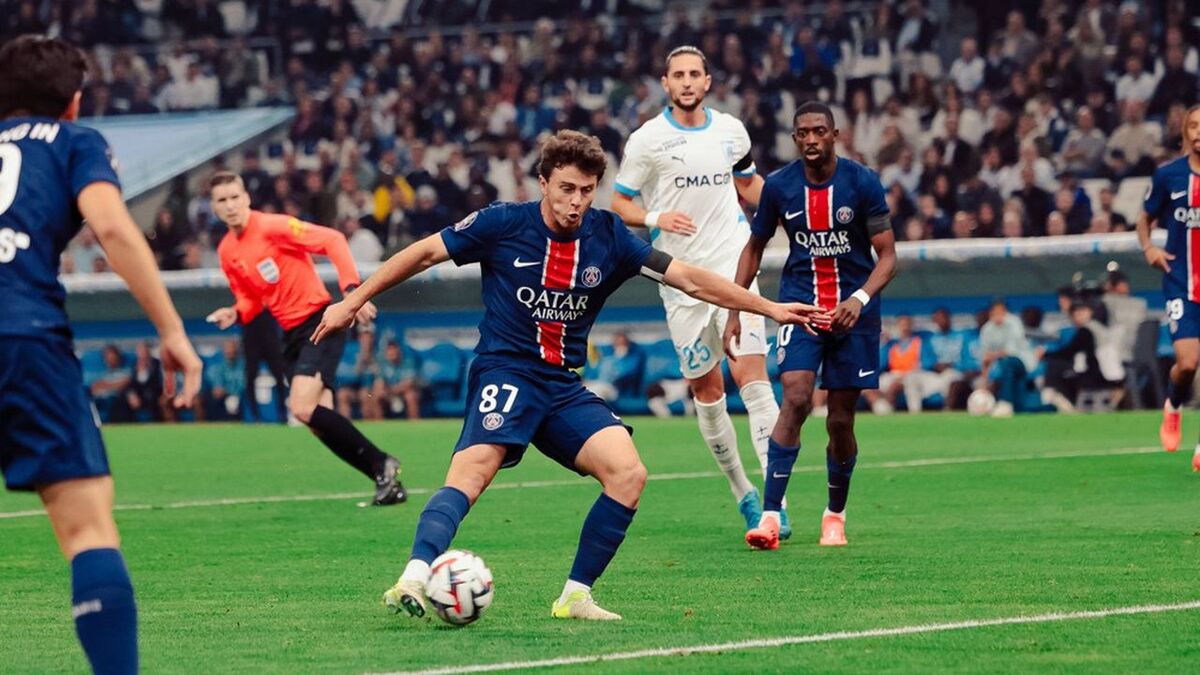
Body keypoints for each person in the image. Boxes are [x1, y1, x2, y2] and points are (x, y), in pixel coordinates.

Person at [311, 130, 827, 621]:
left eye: (585, 190)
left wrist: (769, 307)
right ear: (543, 183)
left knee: (629, 474)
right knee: (473, 473)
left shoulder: (610, 237)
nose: (575, 201)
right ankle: (413, 578)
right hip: (507, 370)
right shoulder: (502, 223)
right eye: (565, 189)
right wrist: (353, 300)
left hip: (562, 385)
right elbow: (424, 252)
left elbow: (689, 278)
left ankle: (575, 596)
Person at [0, 35, 203, 675]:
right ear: (74, 100)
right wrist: (171, 331)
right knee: (87, 525)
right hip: (20, 332)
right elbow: (112, 228)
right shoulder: (75, 142)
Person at [611, 46, 786, 537]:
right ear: (665, 84)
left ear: (708, 81)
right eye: (677, 75)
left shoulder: (731, 131)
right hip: (679, 279)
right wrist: (654, 217)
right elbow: (619, 202)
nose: (687, 82)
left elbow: (750, 186)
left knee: (754, 382)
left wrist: (791, 204)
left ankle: (776, 502)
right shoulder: (647, 140)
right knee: (707, 392)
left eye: (695, 74)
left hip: (734, 269)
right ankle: (743, 494)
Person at [726, 101, 898, 550]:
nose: (811, 140)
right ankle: (769, 517)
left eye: (819, 131)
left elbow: (889, 257)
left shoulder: (862, 183)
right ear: (795, 138)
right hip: (801, 310)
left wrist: (858, 299)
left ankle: (834, 514)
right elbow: (754, 247)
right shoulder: (780, 187)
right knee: (797, 398)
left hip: (854, 316)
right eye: (802, 133)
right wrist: (734, 310)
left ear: (835, 134)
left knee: (840, 421)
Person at [204, 171, 407, 504]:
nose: (230, 206)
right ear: (213, 207)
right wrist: (235, 313)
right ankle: (385, 481)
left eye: (234, 197)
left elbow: (333, 240)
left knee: (300, 407)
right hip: (291, 336)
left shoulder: (274, 227)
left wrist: (352, 294)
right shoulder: (227, 251)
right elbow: (252, 300)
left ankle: (382, 462)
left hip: (319, 321)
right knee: (318, 420)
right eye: (222, 200)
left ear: (247, 198)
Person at [1137, 103, 1200, 471]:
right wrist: (1149, 248)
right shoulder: (1168, 176)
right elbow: (1143, 218)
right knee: (1188, 364)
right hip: (1181, 283)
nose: (1198, 131)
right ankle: (1173, 404)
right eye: (1193, 125)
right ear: (1184, 133)